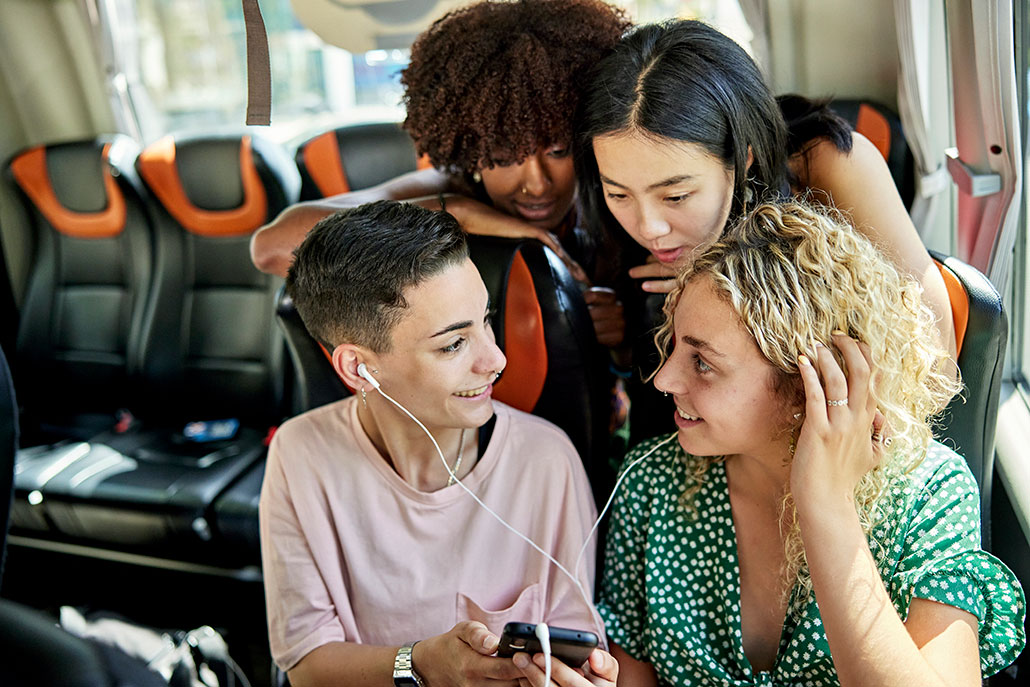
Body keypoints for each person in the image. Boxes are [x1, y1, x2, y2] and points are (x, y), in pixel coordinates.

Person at [598, 200, 1025, 686]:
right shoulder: (651, 484)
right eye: (673, 346)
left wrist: (827, 506)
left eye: (702, 363)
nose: (662, 380)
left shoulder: (928, 492)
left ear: (809, 385)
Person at [259, 200, 618, 687]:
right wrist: (422, 663)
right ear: (356, 368)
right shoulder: (301, 454)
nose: (495, 360)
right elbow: (306, 664)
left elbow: (572, 643)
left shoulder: (545, 459)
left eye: (486, 321)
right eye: (453, 344)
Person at [573, 19, 957, 442]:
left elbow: (934, 365)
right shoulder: (609, 217)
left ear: (744, 158)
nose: (649, 228)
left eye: (676, 196)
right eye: (620, 195)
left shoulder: (825, 165)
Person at [250, 0, 631, 350]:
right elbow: (272, 248)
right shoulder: (451, 189)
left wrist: (621, 343)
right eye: (503, 156)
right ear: (471, 150)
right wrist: (456, 214)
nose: (536, 183)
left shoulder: (617, 206)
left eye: (558, 151)